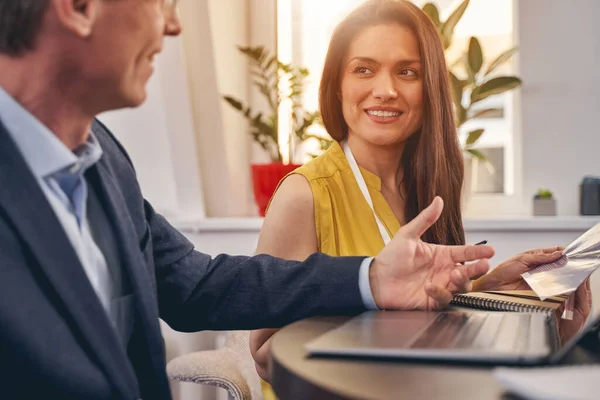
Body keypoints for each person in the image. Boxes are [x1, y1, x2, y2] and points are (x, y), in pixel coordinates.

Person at [0, 1, 496, 399]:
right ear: (78, 7)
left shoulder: (103, 159)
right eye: (163, 3)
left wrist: (372, 277)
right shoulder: (310, 189)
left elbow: (198, 286)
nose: (174, 25)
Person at [249, 1, 576, 396]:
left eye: (407, 72)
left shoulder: (430, 185)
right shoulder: (304, 195)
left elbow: (425, 308)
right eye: (363, 69)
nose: (385, 90)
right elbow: (265, 354)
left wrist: (492, 286)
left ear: (431, 88)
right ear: (338, 85)